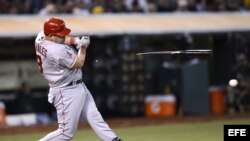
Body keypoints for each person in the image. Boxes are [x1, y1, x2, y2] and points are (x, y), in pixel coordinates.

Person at [34, 17, 122, 141]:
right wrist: (83, 47)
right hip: (66, 91)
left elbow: (64, 39)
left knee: (94, 116)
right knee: (66, 133)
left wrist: (76, 40)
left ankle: (113, 139)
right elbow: (79, 63)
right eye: (59, 35)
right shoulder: (55, 50)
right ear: (50, 35)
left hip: (75, 85)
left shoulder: (41, 36)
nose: (62, 37)